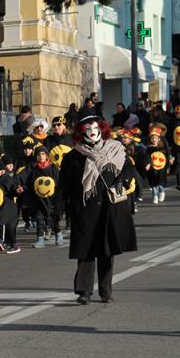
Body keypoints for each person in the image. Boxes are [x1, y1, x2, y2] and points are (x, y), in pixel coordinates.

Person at [59, 113, 137, 305]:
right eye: (87, 129)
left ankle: (105, 291)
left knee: (107, 250)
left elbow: (128, 169)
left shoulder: (116, 149)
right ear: (81, 133)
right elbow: (64, 186)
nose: (92, 132)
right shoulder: (73, 157)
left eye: (95, 128)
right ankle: (83, 291)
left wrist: (121, 181)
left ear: (102, 129)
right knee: (85, 251)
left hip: (110, 207)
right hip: (84, 208)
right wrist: (59, 211)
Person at [25, 146, 63, 247]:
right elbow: (30, 185)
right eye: (38, 155)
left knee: (53, 218)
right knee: (39, 218)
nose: (41, 156)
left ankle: (58, 234)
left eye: (43, 154)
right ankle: (40, 239)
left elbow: (59, 184)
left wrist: (58, 198)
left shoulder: (53, 168)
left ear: (46, 155)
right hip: (39, 200)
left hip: (52, 199)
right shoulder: (34, 170)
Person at [0, 158, 20, 254]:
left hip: (8, 205)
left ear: (3, 170)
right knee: (9, 227)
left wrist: (17, 191)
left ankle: (0, 240)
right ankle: (14, 245)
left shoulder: (7, 178)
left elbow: (13, 189)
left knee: (2, 221)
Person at [145, 125, 170, 204]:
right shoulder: (149, 148)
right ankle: (155, 196)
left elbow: (167, 158)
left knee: (160, 182)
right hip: (152, 168)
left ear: (159, 139)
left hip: (162, 168)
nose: (154, 140)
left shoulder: (163, 149)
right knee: (153, 183)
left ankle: (162, 192)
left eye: (155, 138)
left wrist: (168, 167)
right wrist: (148, 164)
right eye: (152, 138)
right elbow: (147, 157)